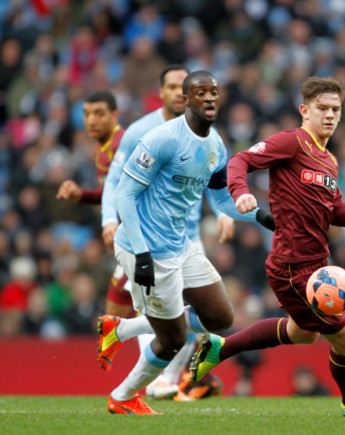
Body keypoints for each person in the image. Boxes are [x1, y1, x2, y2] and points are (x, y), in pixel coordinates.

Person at [190, 76, 345, 417]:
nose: (330, 115)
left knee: (303, 334)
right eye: (322, 109)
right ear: (305, 111)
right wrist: (241, 193)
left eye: (336, 110)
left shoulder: (329, 161)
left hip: (317, 265)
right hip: (291, 267)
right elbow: (240, 160)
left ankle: (219, 348)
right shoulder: (292, 142)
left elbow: (336, 211)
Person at [96, 70, 275, 415]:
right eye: (200, 92)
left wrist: (260, 216)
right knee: (173, 339)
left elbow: (222, 201)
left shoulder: (215, 145)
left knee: (220, 317)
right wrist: (142, 253)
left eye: (214, 92)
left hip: (180, 245)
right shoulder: (161, 138)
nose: (209, 98)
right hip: (144, 248)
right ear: (186, 100)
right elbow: (126, 196)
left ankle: (119, 330)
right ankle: (122, 396)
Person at [55, 90, 130, 326]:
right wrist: (81, 195)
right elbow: (110, 194)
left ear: (114, 115)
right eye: (87, 114)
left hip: (145, 238)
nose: (91, 120)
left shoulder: (123, 145)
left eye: (99, 113)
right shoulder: (103, 148)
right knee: (128, 307)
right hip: (128, 239)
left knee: (126, 309)